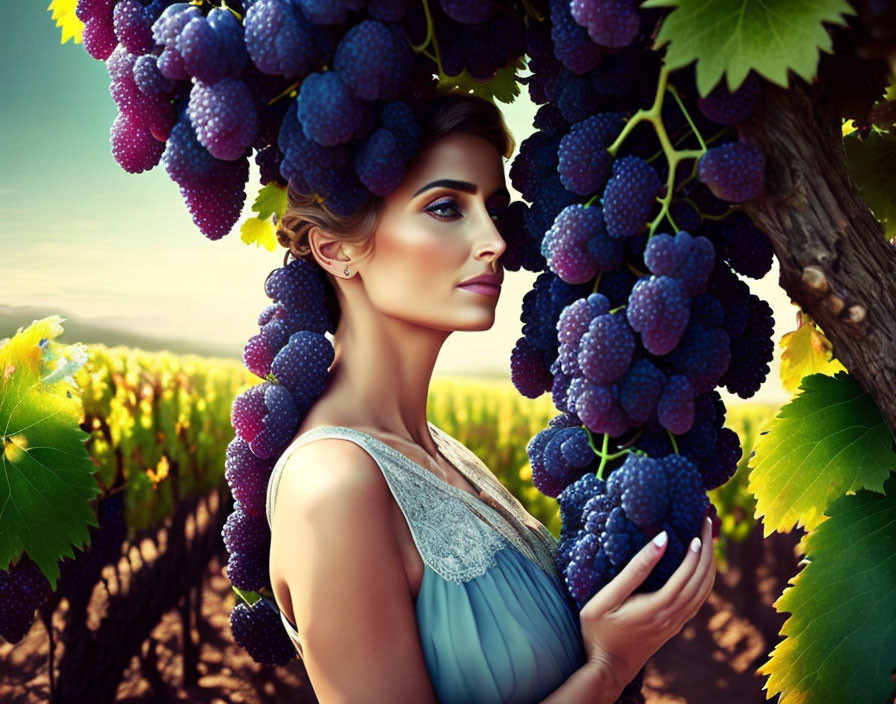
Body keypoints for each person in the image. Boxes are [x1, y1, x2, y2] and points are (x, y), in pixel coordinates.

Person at [265, 93, 717, 704]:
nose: (495, 241)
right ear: (336, 249)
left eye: (493, 209)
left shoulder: (442, 452)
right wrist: (607, 667)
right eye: (447, 206)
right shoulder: (334, 488)